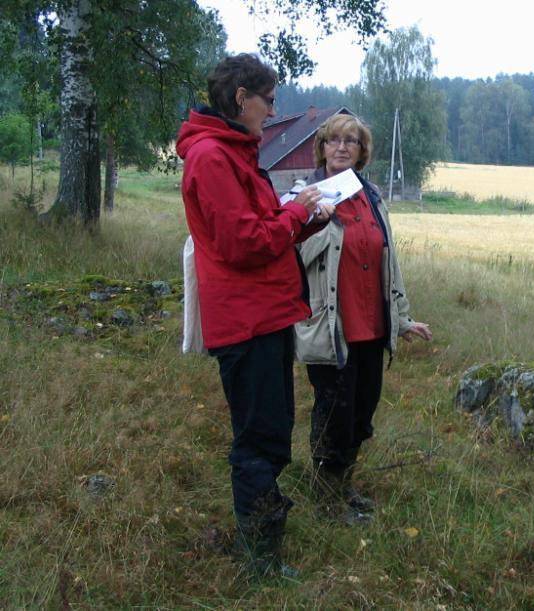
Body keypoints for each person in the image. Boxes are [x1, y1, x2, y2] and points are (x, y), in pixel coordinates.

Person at [176, 53, 334, 577]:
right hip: (245, 321)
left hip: (264, 313)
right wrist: (295, 211)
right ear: (241, 97)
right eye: (268, 99)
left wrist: (307, 218)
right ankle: (260, 559)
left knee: (270, 432)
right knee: (259, 439)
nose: (272, 110)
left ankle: (262, 543)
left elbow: (265, 227)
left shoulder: (236, 152)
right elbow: (244, 242)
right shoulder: (212, 158)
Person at [295, 113, 432, 523]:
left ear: (361, 150)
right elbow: (293, 257)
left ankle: (345, 485)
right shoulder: (305, 196)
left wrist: (403, 319)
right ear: (322, 148)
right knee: (333, 413)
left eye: (350, 141)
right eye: (334, 140)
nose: (341, 147)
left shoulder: (372, 196)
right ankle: (326, 500)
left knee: (361, 412)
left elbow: (388, 260)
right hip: (331, 327)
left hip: (372, 326)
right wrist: (316, 219)